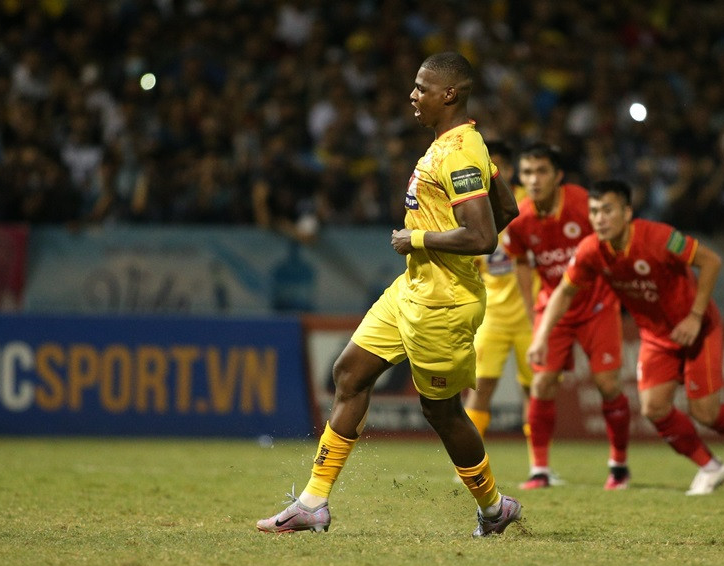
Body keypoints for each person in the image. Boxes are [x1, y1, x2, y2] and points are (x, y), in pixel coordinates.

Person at [256, 52, 523, 538]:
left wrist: (417, 238)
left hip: (442, 303)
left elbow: (485, 235)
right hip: (411, 290)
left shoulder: (459, 152)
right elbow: (507, 207)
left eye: (422, 87)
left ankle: (493, 507)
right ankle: (313, 503)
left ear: (449, 94)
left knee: (441, 411)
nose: (412, 96)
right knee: (349, 373)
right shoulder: (457, 145)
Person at [529, 180, 724, 495]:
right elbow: (564, 292)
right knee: (654, 408)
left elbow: (711, 261)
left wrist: (694, 316)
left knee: (705, 412)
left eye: (607, 210)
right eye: (594, 212)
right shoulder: (591, 250)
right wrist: (541, 336)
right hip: (656, 337)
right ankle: (711, 467)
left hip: (698, 328)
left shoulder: (659, 237)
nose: (600, 219)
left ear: (627, 212)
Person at [504, 143, 632, 490]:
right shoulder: (519, 218)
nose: (533, 179)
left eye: (541, 171)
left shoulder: (582, 204)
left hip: (597, 305)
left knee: (608, 385)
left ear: (558, 175)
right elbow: (521, 263)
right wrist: (533, 315)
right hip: (554, 308)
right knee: (542, 384)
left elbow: (612, 241)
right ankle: (539, 470)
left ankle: (619, 465)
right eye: (527, 172)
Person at [463, 141, 533, 448]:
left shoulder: (528, 202)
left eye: (496, 166)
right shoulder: (471, 209)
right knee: (481, 386)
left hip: (532, 311)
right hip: (493, 313)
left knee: (534, 390)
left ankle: (538, 465)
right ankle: (469, 461)